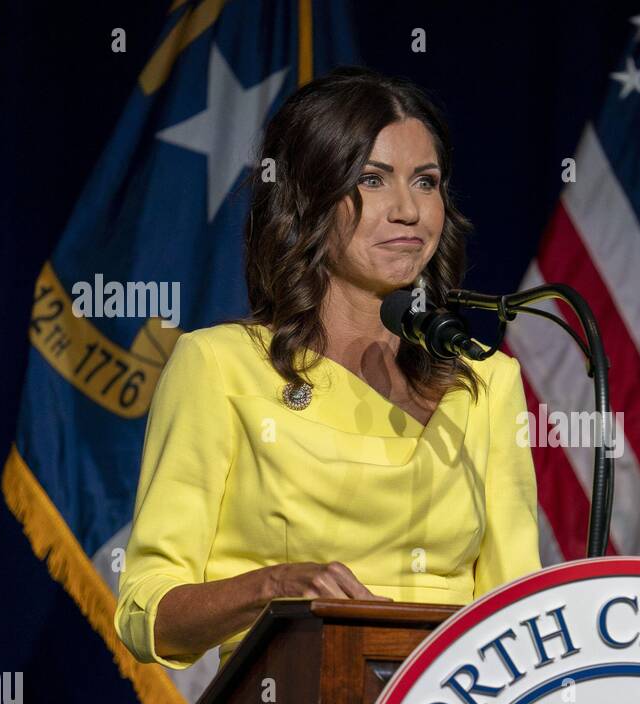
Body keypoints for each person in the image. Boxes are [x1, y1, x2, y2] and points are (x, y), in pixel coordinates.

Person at [114, 67, 541, 671]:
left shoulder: (486, 381)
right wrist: (275, 589)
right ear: (306, 200)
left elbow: (514, 610)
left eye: (426, 182)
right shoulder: (220, 367)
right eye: (372, 180)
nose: (408, 211)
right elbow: (146, 613)